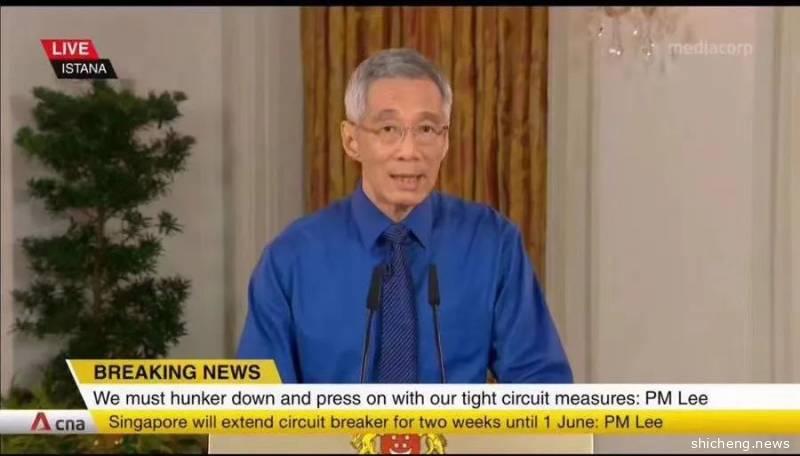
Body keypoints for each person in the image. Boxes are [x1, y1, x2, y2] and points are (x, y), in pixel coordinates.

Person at [237, 48, 572, 384]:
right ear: (351, 141)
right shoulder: (291, 258)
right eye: (388, 129)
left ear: (445, 141)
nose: (409, 152)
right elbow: (255, 401)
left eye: (426, 129)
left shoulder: (492, 244)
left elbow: (542, 384)